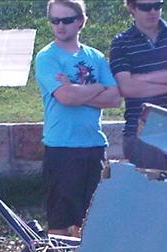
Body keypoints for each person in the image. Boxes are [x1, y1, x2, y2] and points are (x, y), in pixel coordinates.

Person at [35, 0, 121, 238]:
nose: (60, 26)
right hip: (62, 146)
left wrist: (76, 89)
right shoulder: (47, 57)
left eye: (67, 20)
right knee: (60, 219)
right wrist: (97, 88)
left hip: (94, 146)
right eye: (55, 21)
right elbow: (65, 96)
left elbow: (114, 98)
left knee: (93, 219)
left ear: (81, 21)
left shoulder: (96, 57)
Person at [109, 0, 167, 170]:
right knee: (151, 196)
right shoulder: (121, 43)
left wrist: (143, 78)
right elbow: (127, 88)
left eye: (157, 5)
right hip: (142, 136)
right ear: (131, 8)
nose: (152, 11)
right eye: (145, 7)